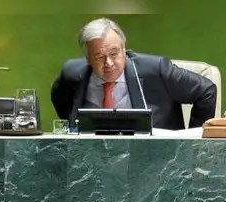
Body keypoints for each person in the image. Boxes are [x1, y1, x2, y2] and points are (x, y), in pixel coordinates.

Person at [50, 17, 217, 130]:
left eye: (114, 53)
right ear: (87, 59)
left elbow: (206, 91)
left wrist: (193, 144)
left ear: (124, 49)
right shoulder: (72, 73)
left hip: (154, 161)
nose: (108, 63)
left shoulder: (156, 69)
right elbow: (60, 101)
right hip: (93, 162)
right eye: (99, 57)